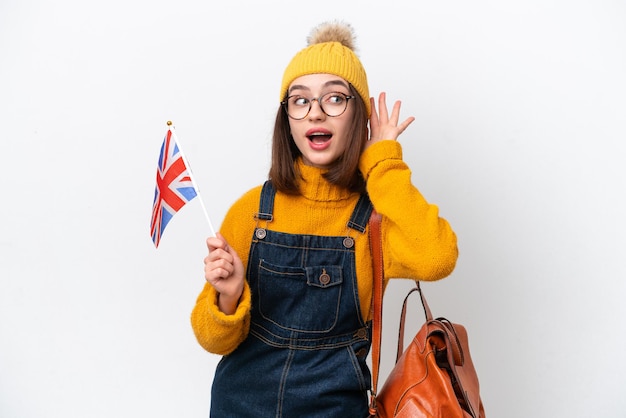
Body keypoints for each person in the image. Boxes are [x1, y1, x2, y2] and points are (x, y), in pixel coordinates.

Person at [191, 21, 458, 417]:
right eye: (300, 101)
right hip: (239, 405)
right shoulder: (251, 209)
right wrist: (228, 296)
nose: (315, 111)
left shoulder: (375, 220)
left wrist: (382, 160)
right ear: (288, 120)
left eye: (335, 99)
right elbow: (211, 339)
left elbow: (437, 256)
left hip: (334, 409)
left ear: (359, 115)